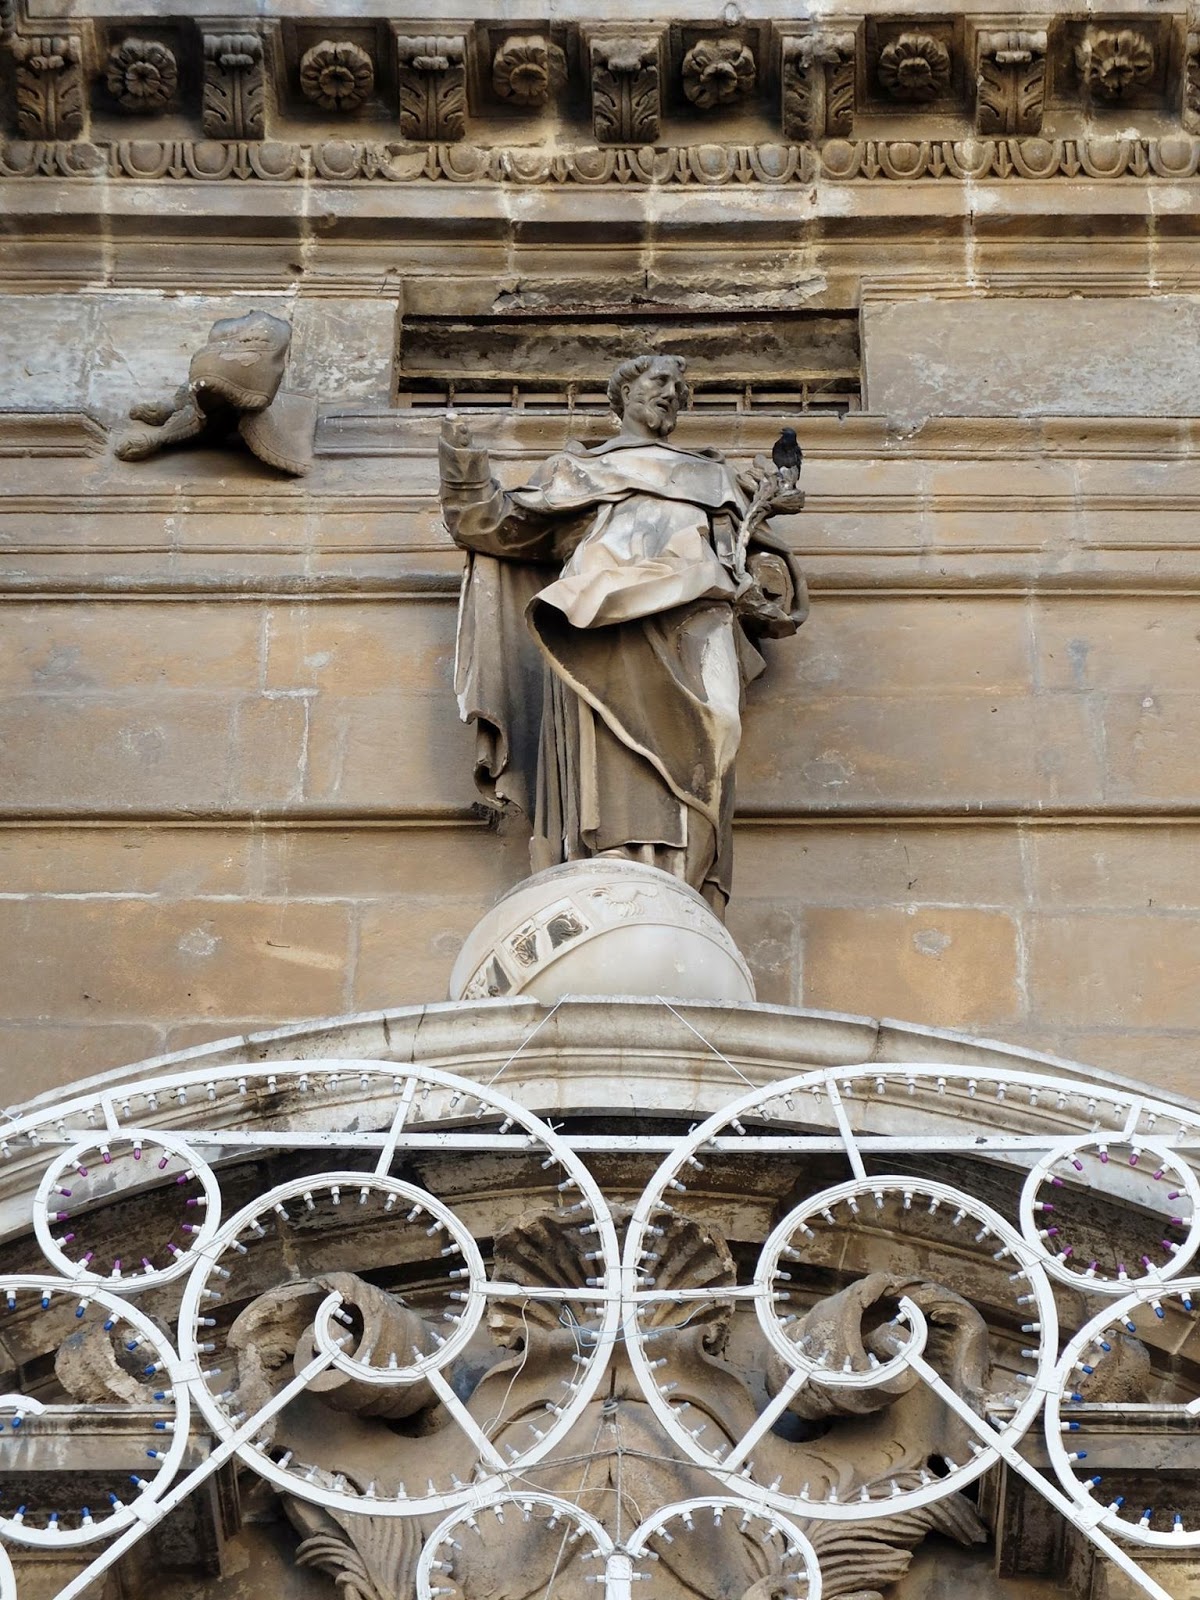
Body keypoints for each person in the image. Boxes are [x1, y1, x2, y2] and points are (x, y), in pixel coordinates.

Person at [439, 353, 807, 914]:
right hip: (599, 621)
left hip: (696, 620)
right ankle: (609, 871)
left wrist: (763, 574)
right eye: (659, 381)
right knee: (610, 746)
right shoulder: (576, 471)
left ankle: (686, 877)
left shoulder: (717, 478)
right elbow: (493, 527)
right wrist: (463, 462)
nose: (672, 393)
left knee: (710, 738)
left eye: (681, 387)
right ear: (624, 395)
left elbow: (757, 573)